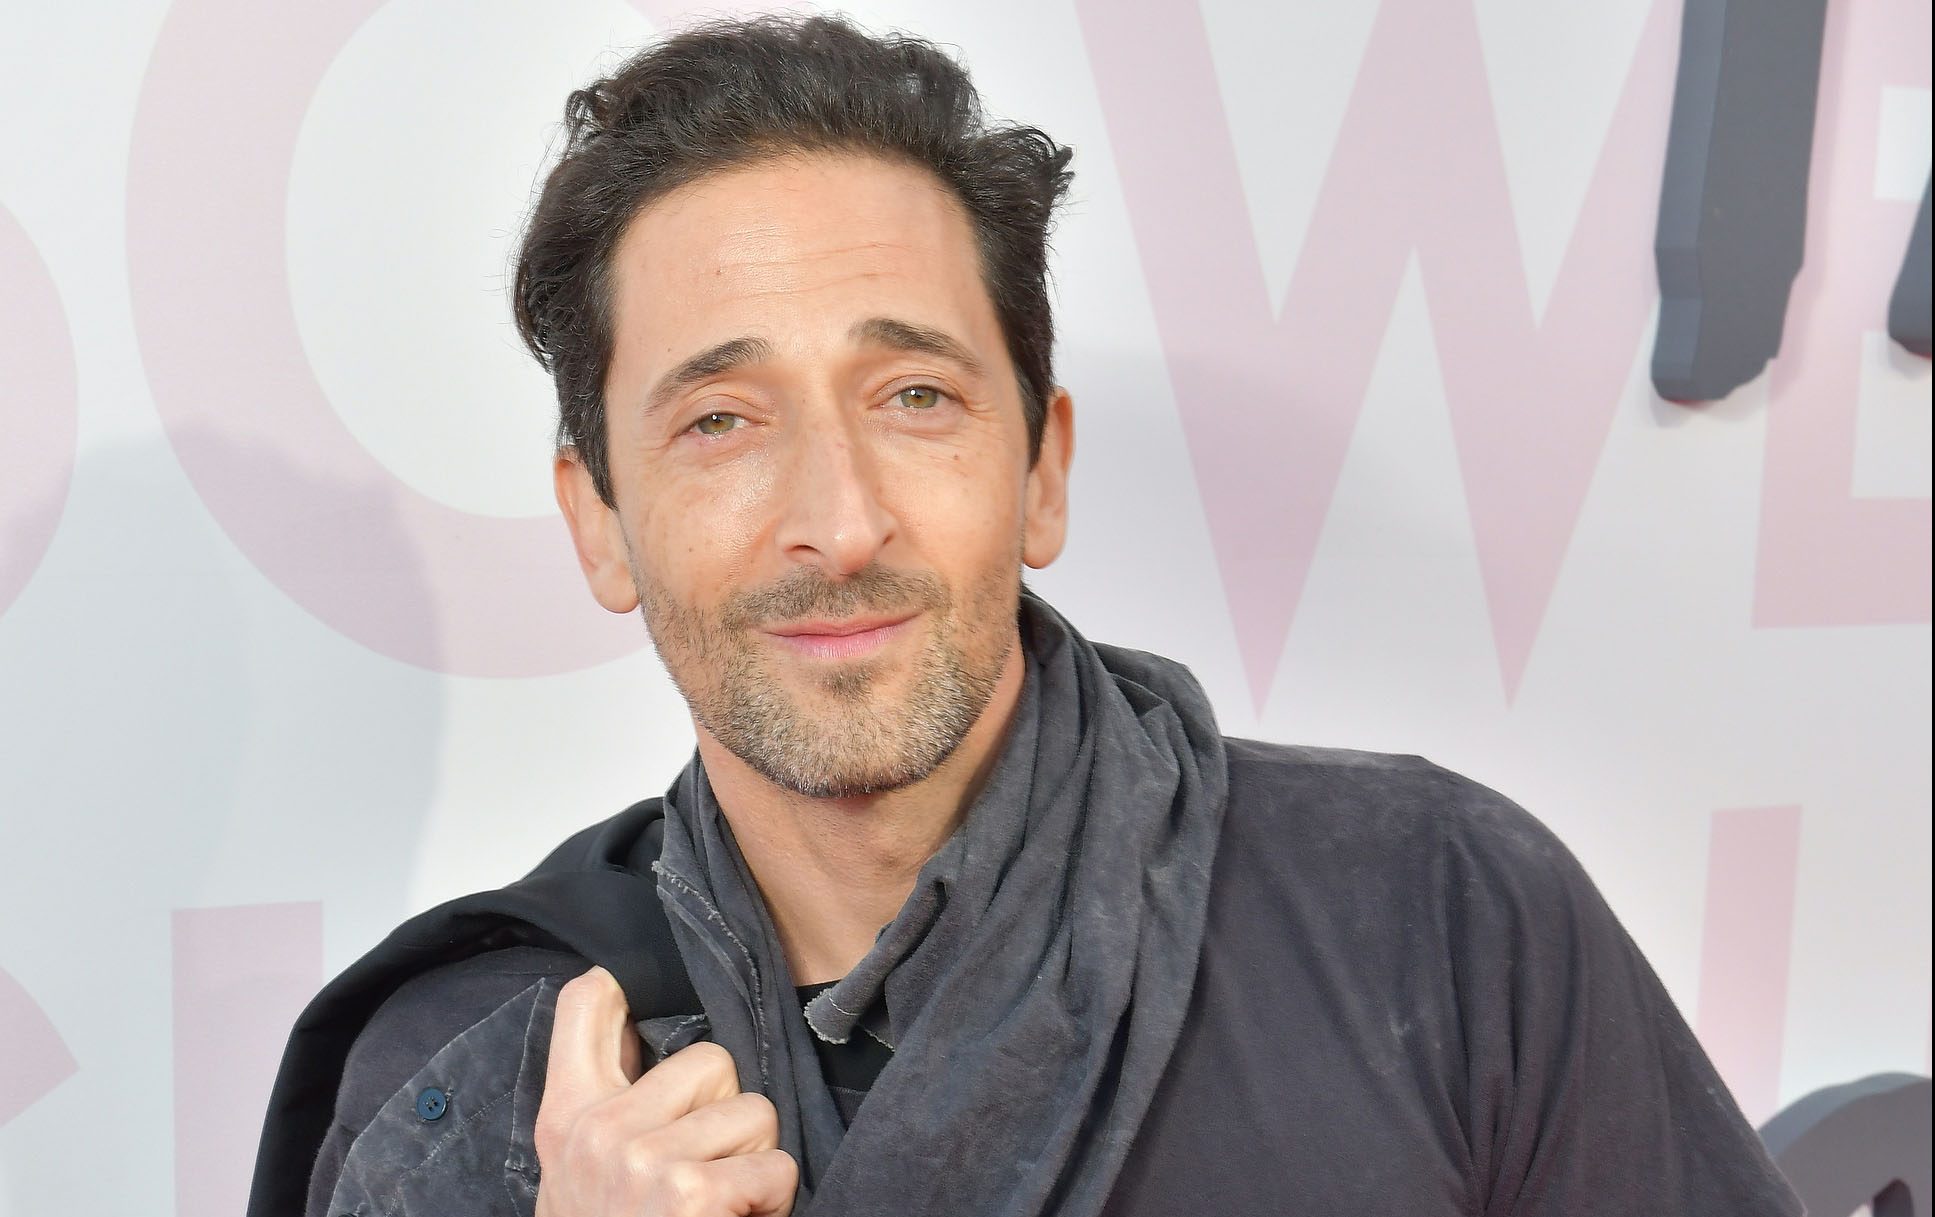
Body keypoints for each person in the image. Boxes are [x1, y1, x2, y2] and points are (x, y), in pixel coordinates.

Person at [248, 13, 1803, 1217]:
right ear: (599, 518)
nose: (840, 521)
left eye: (914, 396)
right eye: (720, 420)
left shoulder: (1436, 921)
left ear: (1041, 469)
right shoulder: (470, 1080)